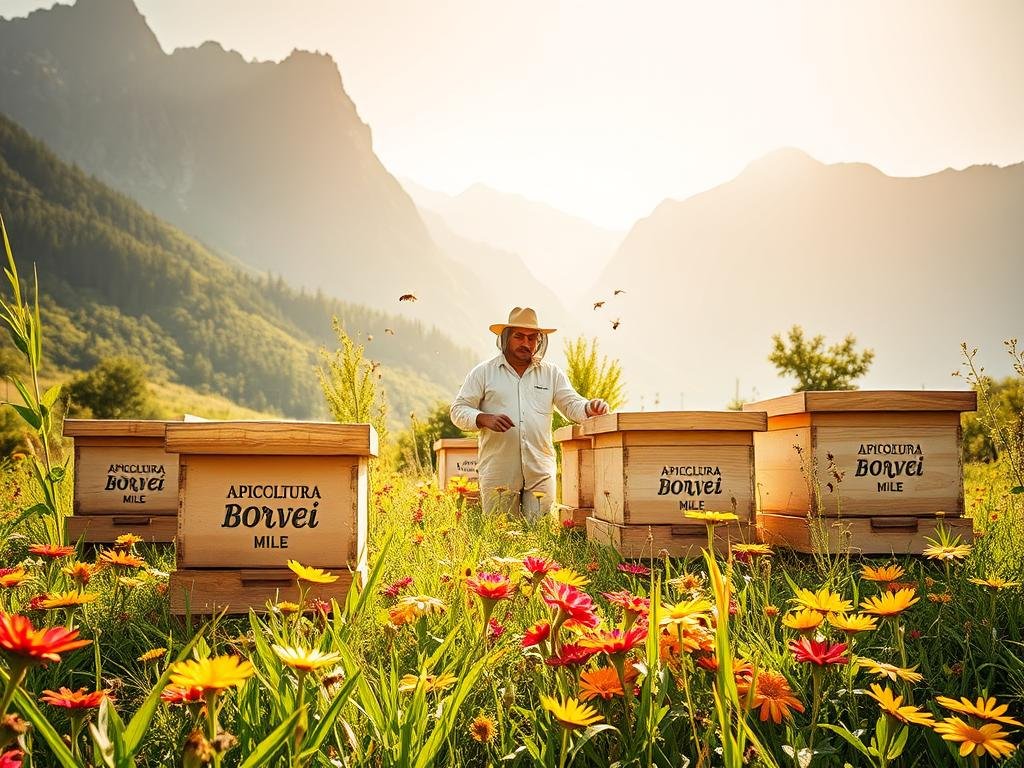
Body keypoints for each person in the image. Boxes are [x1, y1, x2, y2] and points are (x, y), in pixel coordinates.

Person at [450, 307, 609, 520]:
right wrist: (482, 418)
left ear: (539, 341)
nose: (526, 343)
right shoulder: (484, 372)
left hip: (540, 470)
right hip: (498, 470)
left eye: (532, 338)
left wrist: (590, 408)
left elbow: (572, 404)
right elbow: (458, 410)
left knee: (540, 534)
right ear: (506, 338)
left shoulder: (551, 373)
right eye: (519, 337)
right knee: (501, 536)